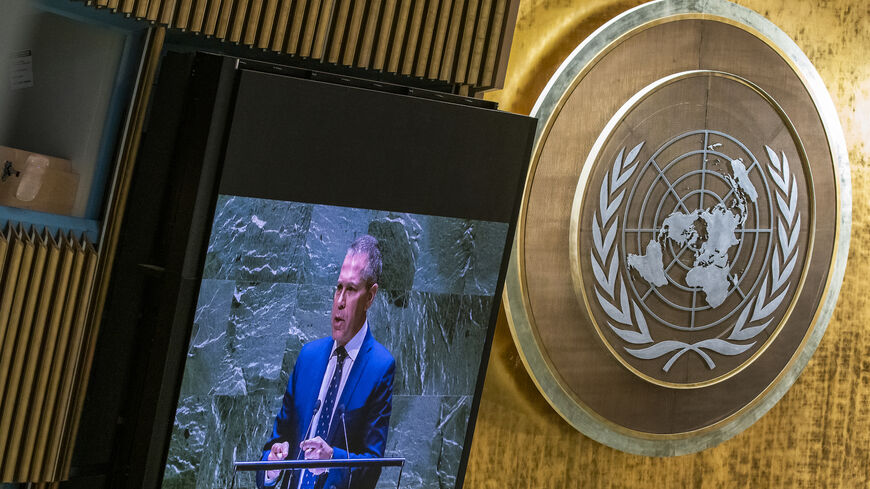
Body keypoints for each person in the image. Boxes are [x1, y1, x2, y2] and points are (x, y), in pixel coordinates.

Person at [257, 235, 395, 489]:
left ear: (370, 297)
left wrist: (331, 459)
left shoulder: (380, 367)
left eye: (351, 290)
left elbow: (372, 465)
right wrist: (273, 464)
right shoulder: (308, 357)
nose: (340, 301)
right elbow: (274, 443)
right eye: (338, 288)